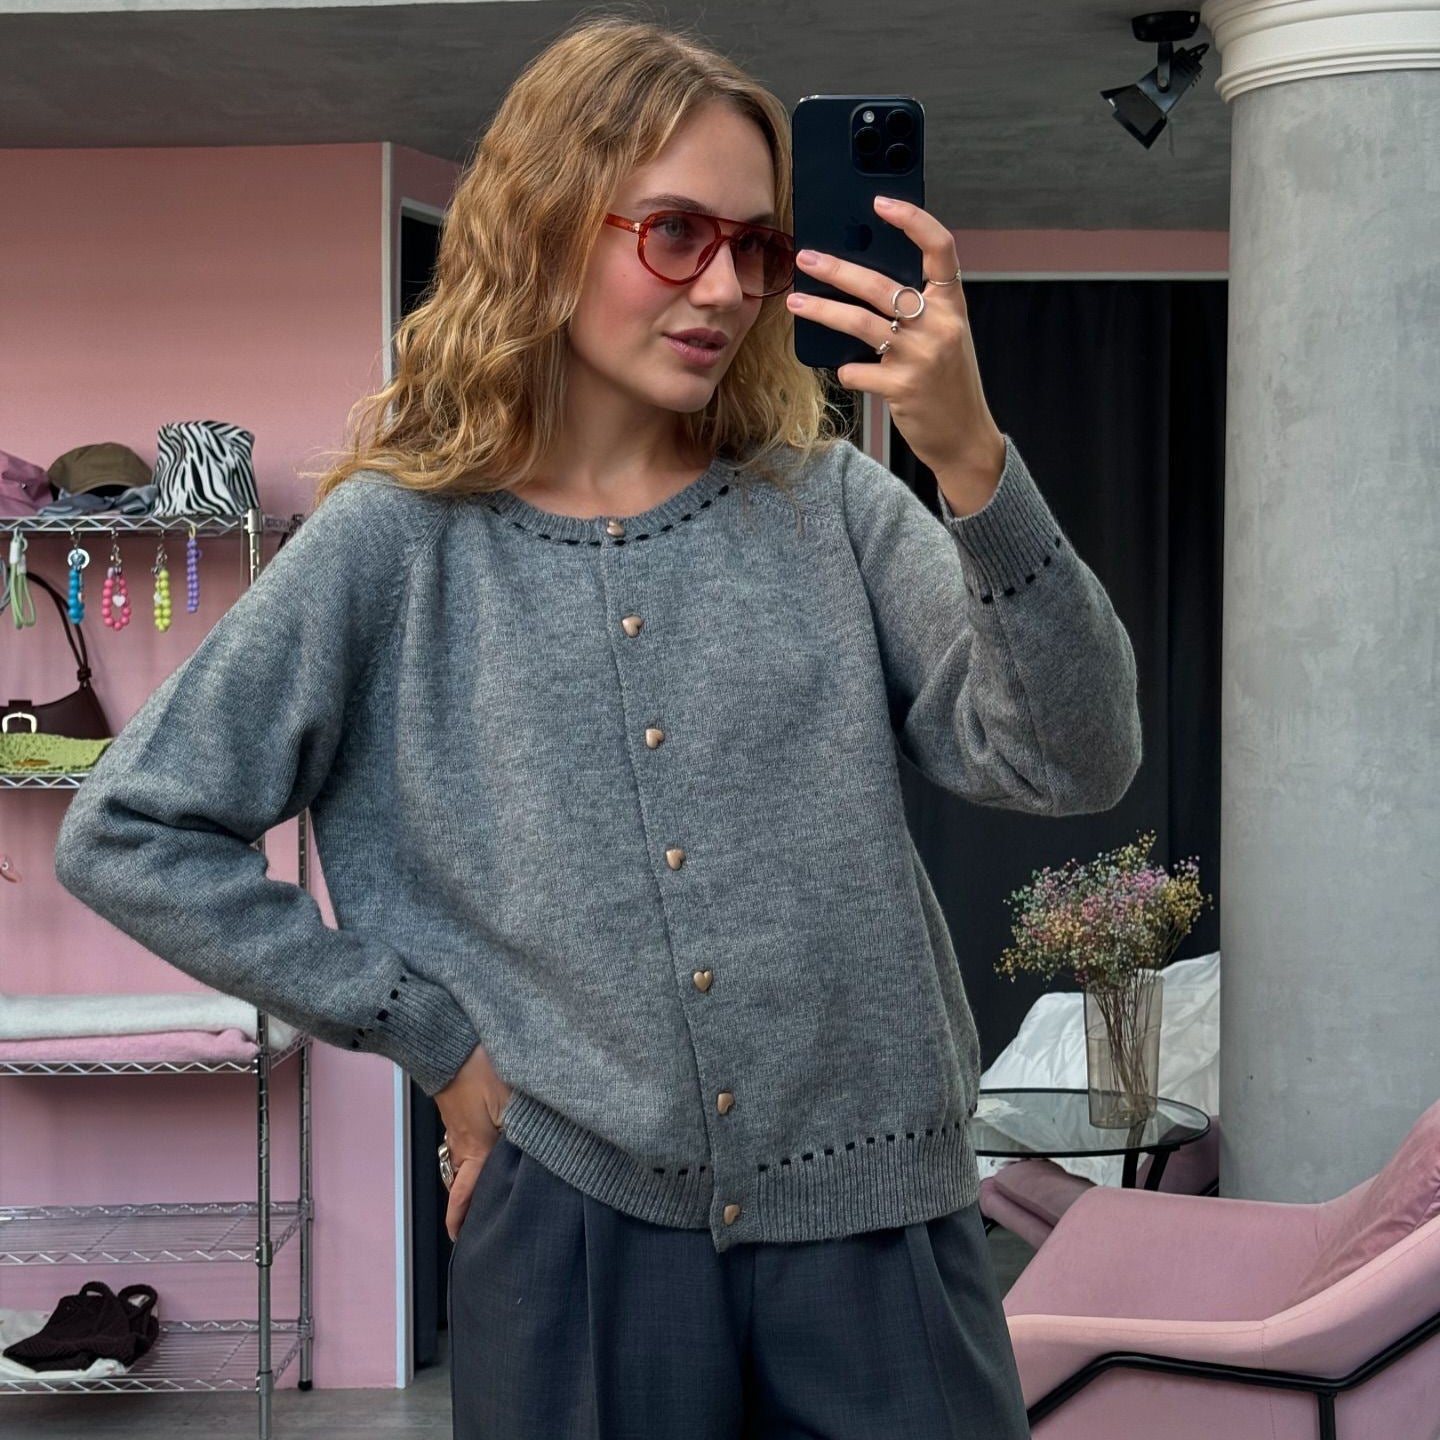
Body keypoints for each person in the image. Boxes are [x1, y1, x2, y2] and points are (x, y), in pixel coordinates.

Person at [53, 13, 1142, 1439]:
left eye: (757, 246)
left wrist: (974, 464)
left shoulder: (829, 507)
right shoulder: (394, 545)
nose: (727, 288)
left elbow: (1071, 758)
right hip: (571, 1230)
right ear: (548, 228)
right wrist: (429, 1036)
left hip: (880, 1226)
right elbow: (130, 831)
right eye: (677, 233)